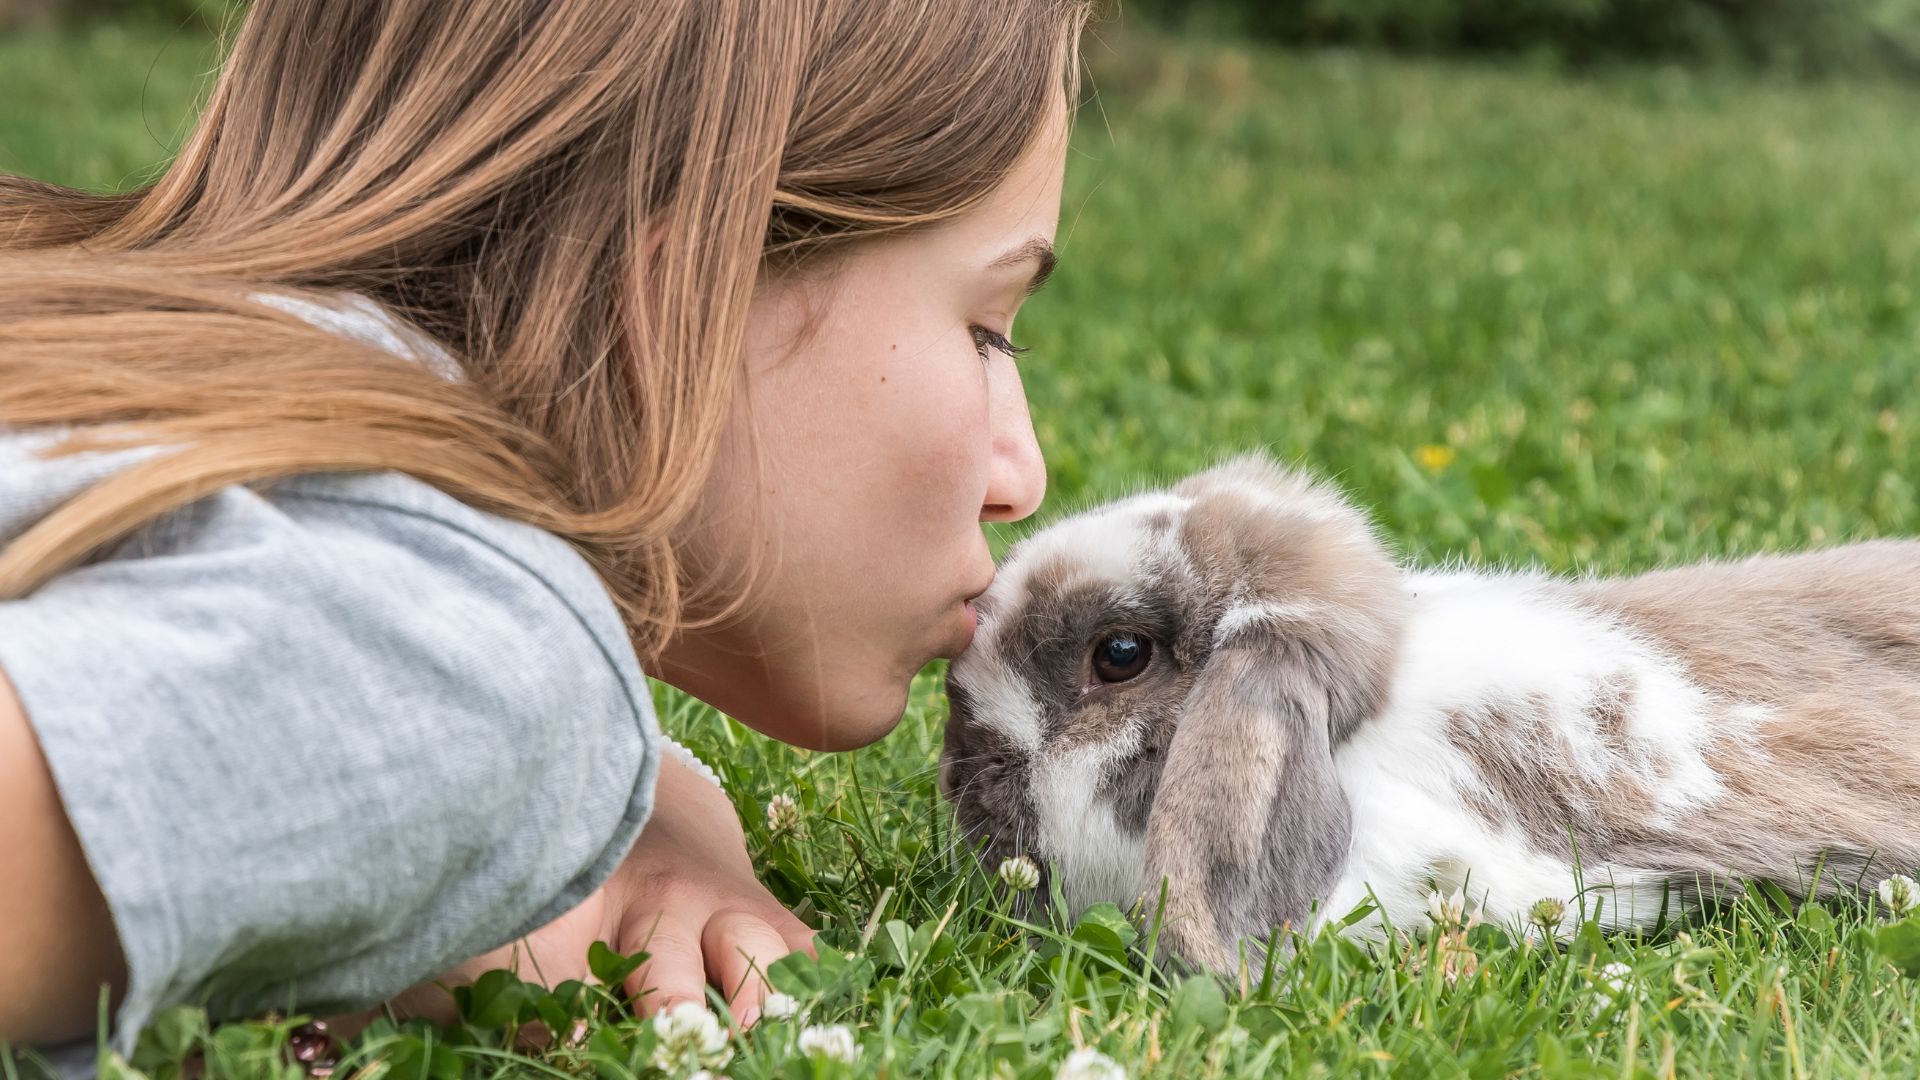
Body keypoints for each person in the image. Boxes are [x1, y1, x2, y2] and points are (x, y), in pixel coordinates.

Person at [0, 0, 1086, 1058]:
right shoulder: (478, 653)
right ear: (679, 313)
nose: (1019, 476)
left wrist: (638, 801)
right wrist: (513, 771)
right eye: (987, 331)